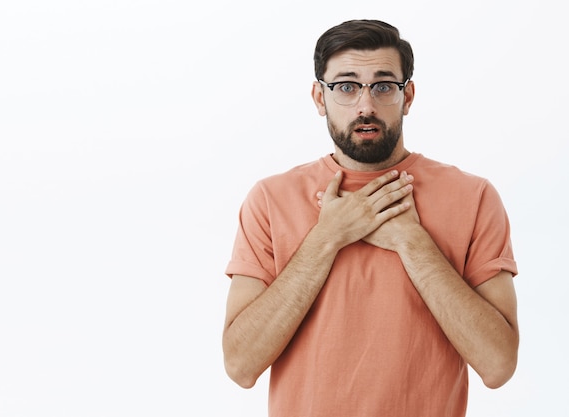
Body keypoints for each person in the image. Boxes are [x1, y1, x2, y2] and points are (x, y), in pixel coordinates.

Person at [222, 19, 518, 417]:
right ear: (319, 97)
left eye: (383, 86)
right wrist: (327, 237)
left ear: (407, 96)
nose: (365, 105)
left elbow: (498, 366)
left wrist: (412, 242)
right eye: (346, 86)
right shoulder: (270, 200)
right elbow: (240, 366)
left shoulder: (474, 197)